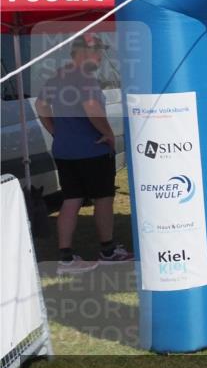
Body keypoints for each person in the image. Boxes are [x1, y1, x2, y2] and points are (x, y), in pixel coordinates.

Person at [35, 34, 133, 274]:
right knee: (103, 199)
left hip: (65, 150)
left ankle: (66, 258)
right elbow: (91, 107)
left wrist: (55, 130)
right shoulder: (85, 78)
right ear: (83, 53)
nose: (100, 57)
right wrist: (108, 133)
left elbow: (40, 105)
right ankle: (108, 252)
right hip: (91, 149)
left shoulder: (57, 76)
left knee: (71, 200)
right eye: (97, 51)